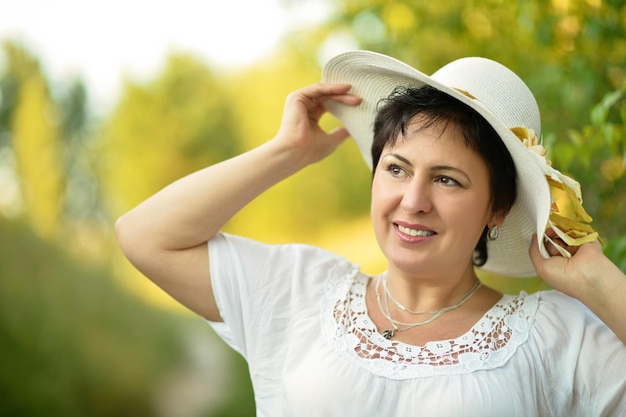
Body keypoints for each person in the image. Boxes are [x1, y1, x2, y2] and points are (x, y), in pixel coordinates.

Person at [115, 50, 626, 416]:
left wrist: (598, 280)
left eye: (447, 179)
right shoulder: (297, 290)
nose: (413, 200)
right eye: (397, 169)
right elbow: (144, 236)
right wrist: (285, 152)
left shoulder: (554, 339)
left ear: (497, 208)